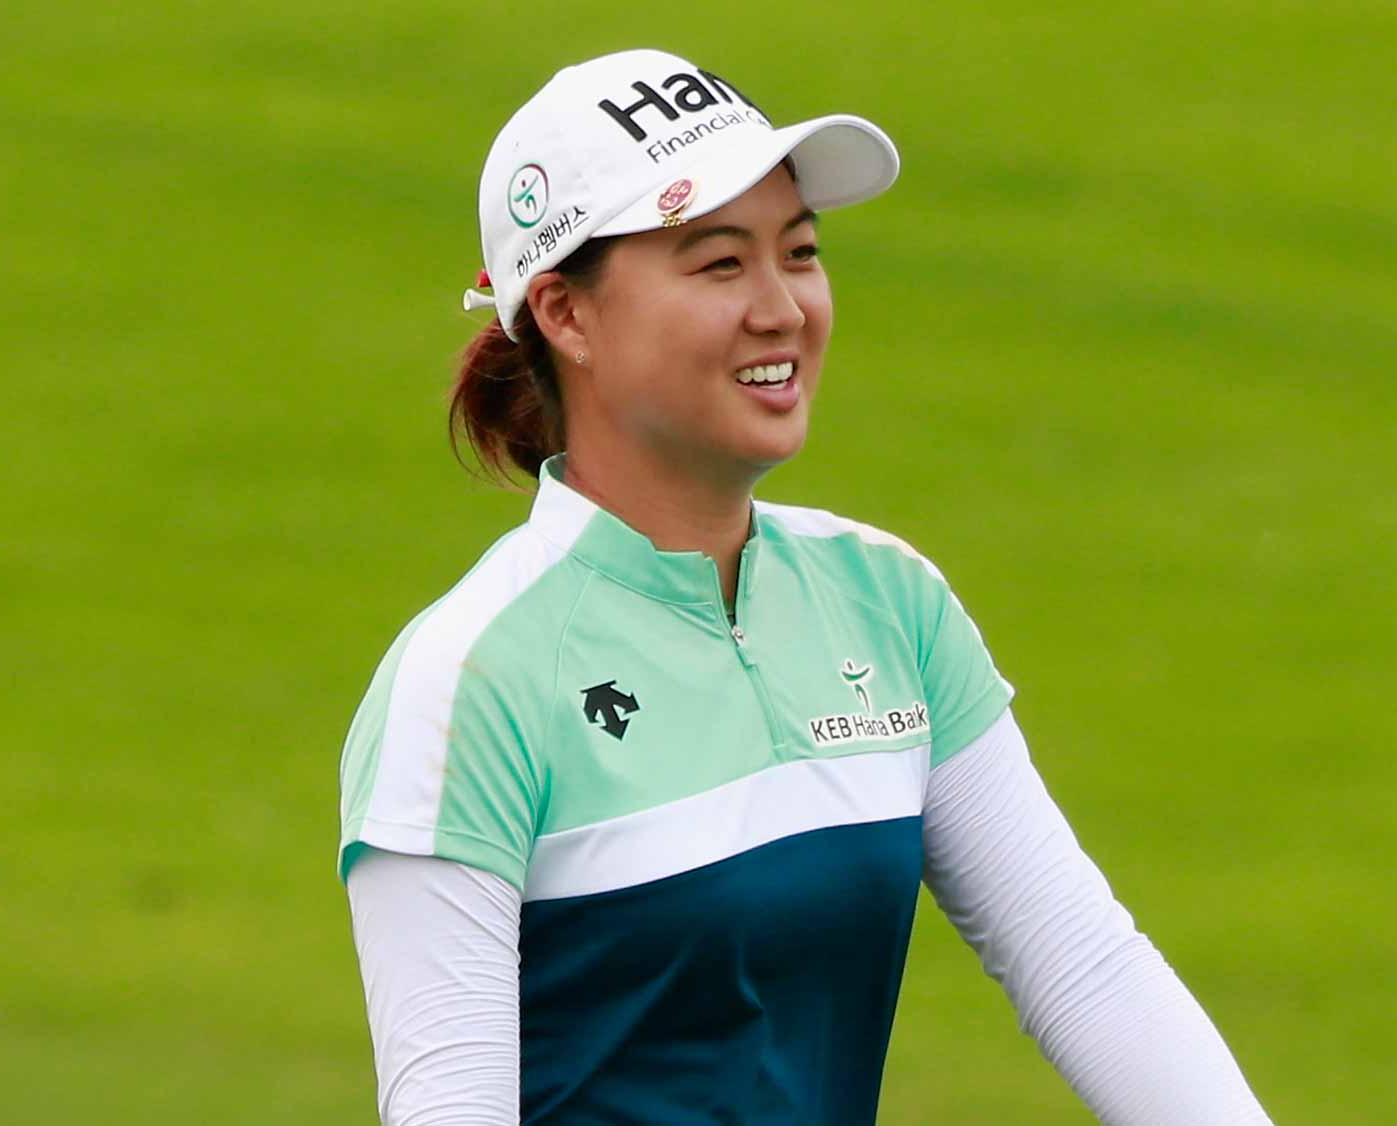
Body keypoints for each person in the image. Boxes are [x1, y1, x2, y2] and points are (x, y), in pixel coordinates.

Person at [338, 47, 1273, 1125]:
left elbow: (1082, 963)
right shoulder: (469, 683)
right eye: (718, 264)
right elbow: (448, 1106)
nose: (782, 308)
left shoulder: (886, 599)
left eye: (801, 251)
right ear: (565, 313)